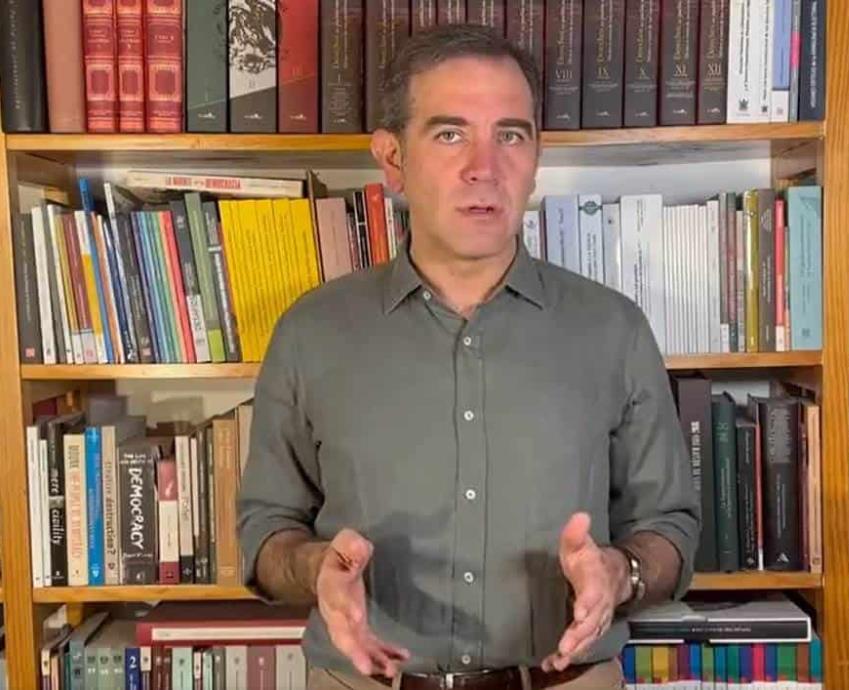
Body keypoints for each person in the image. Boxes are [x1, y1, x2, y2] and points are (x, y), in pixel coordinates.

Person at [237, 23, 700, 690]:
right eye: (450, 134)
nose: (485, 166)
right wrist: (317, 572)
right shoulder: (311, 332)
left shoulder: (613, 330)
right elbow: (266, 533)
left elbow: (669, 529)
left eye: (511, 135)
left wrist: (619, 573)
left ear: (536, 156)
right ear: (392, 159)